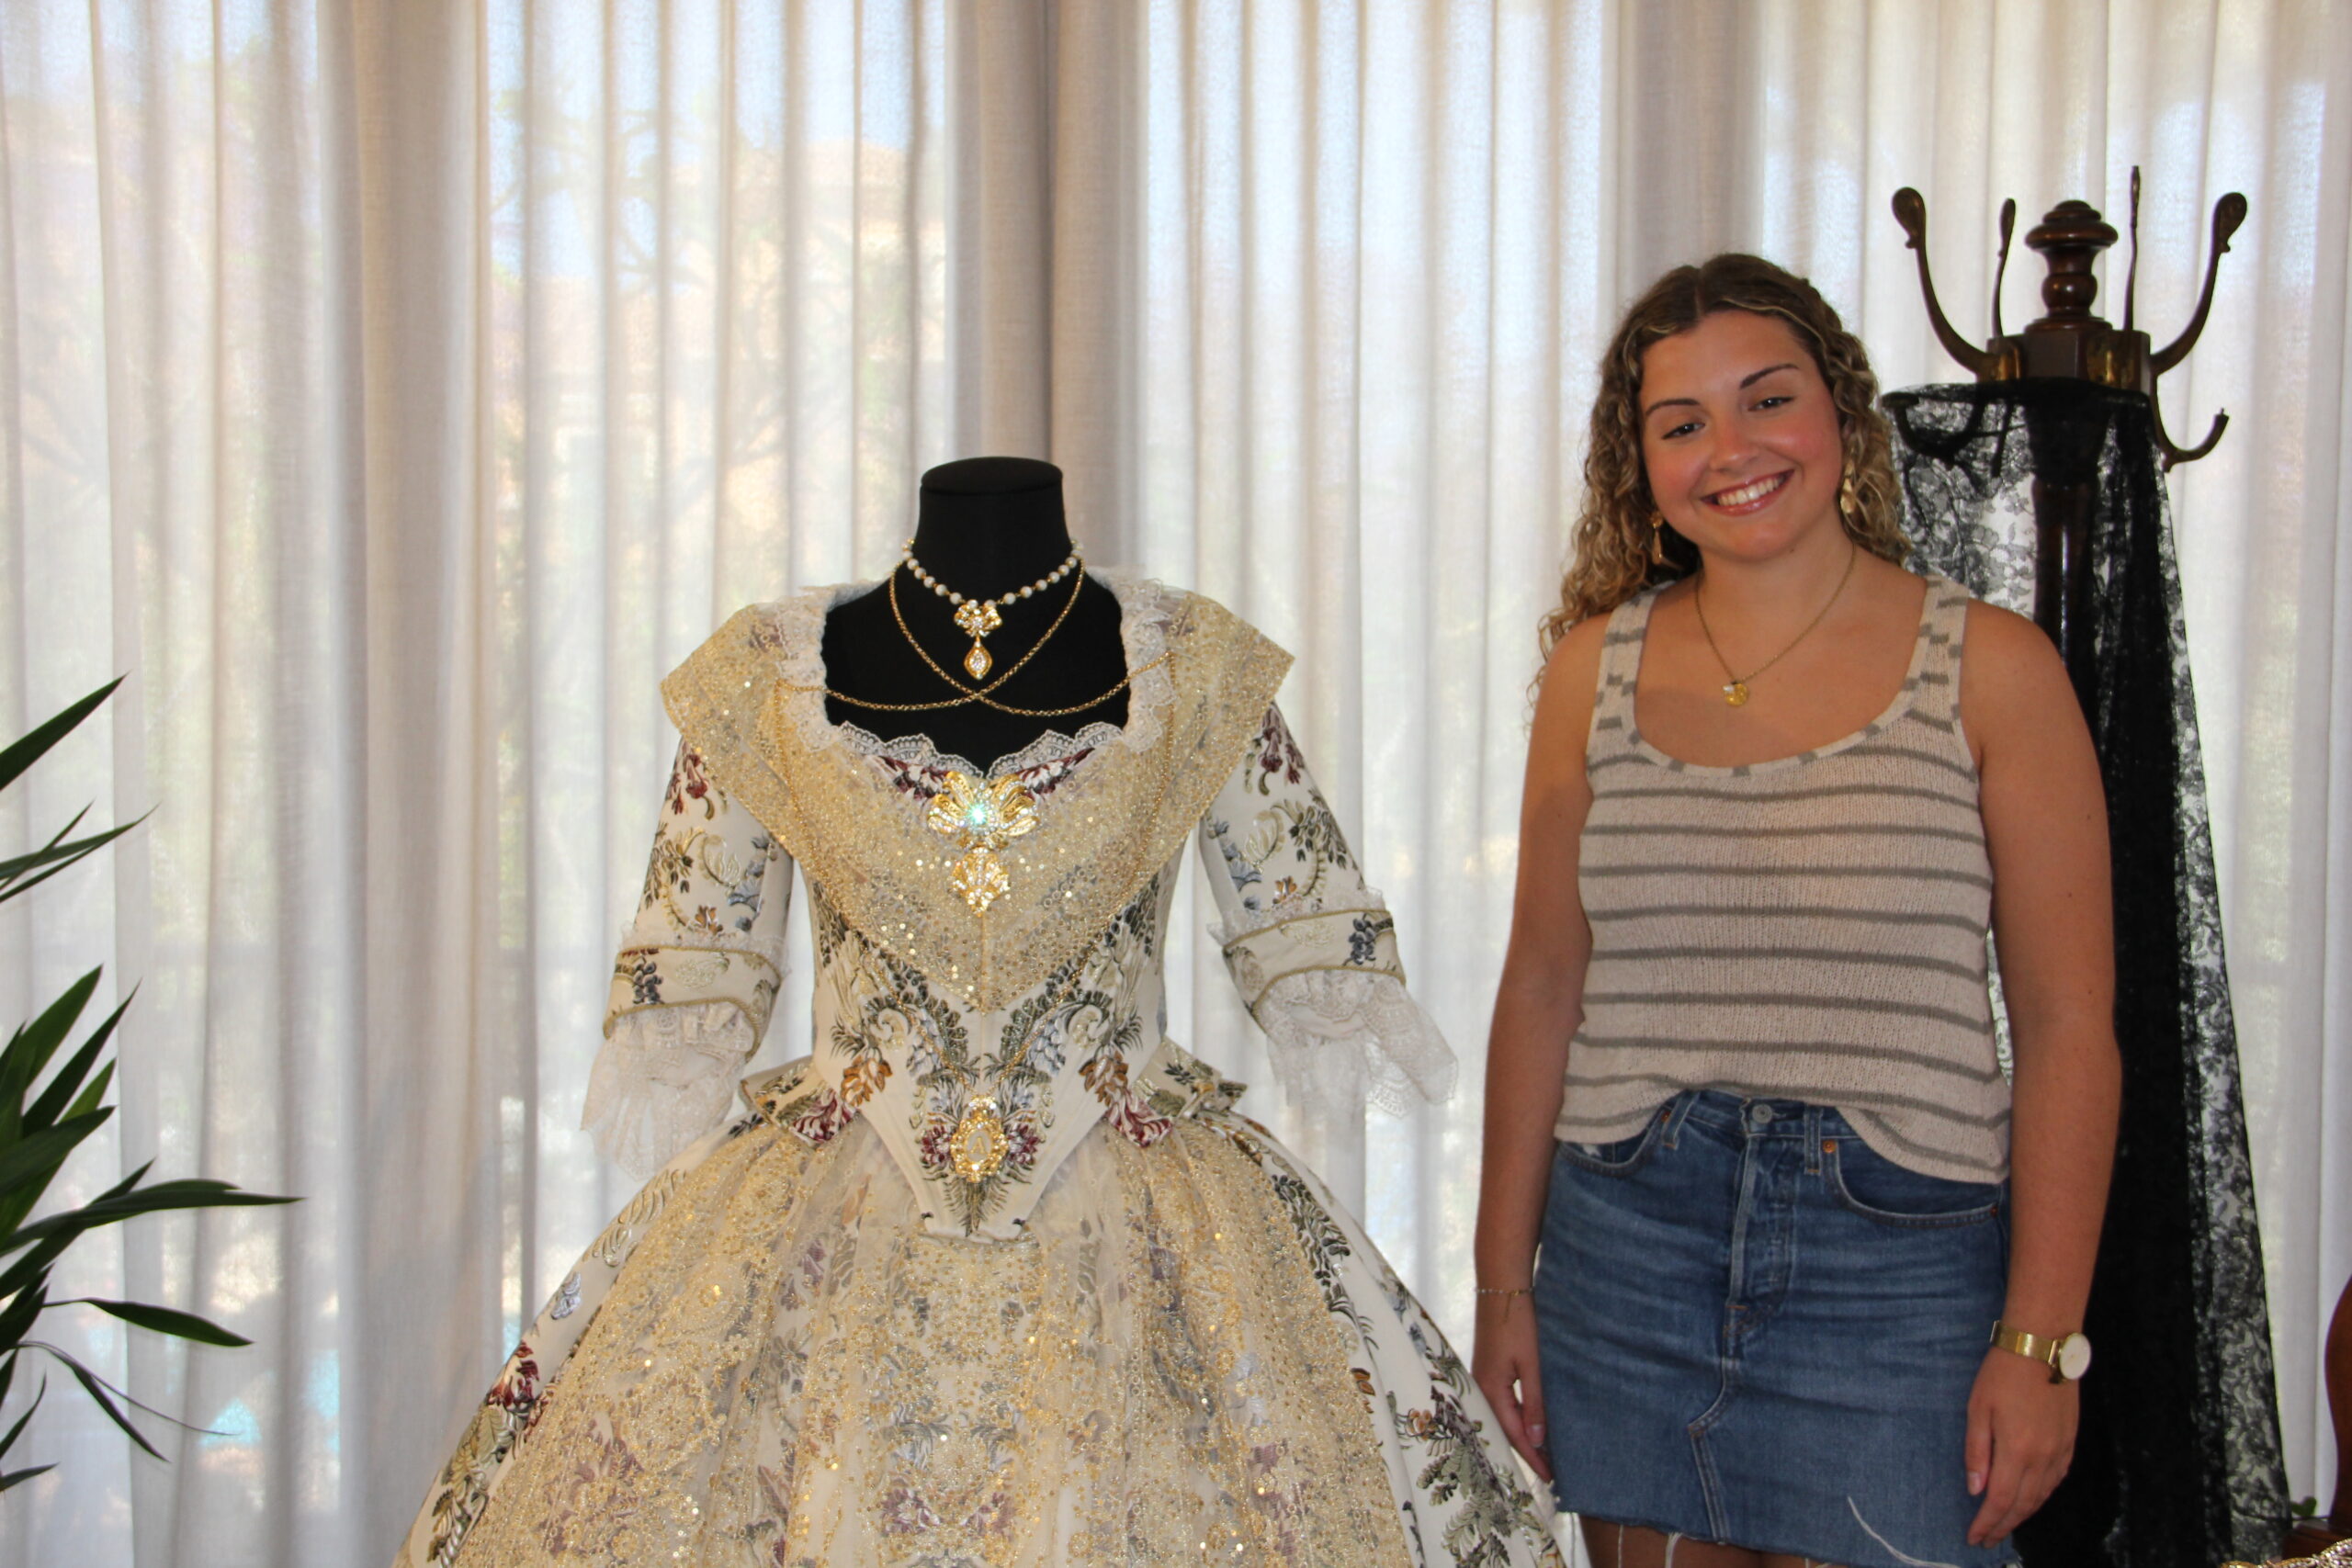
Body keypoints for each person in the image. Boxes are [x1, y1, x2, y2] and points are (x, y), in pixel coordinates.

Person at [392, 457, 1566, 1567]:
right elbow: (693, 966)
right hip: (832, 1204)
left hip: (1145, 1210)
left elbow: (1310, 945)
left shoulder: (1192, 664)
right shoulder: (767, 673)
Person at [1471, 257, 2120, 1568]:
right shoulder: (1592, 670)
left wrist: (2040, 1339)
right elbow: (1542, 982)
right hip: (1626, 1246)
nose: (1733, 449)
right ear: (1637, 460)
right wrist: (1500, 1288)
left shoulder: (1991, 667)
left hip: (1898, 1275)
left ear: (1842, 413)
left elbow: (2068, 1028)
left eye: (1767, 398)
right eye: (1683, 421)